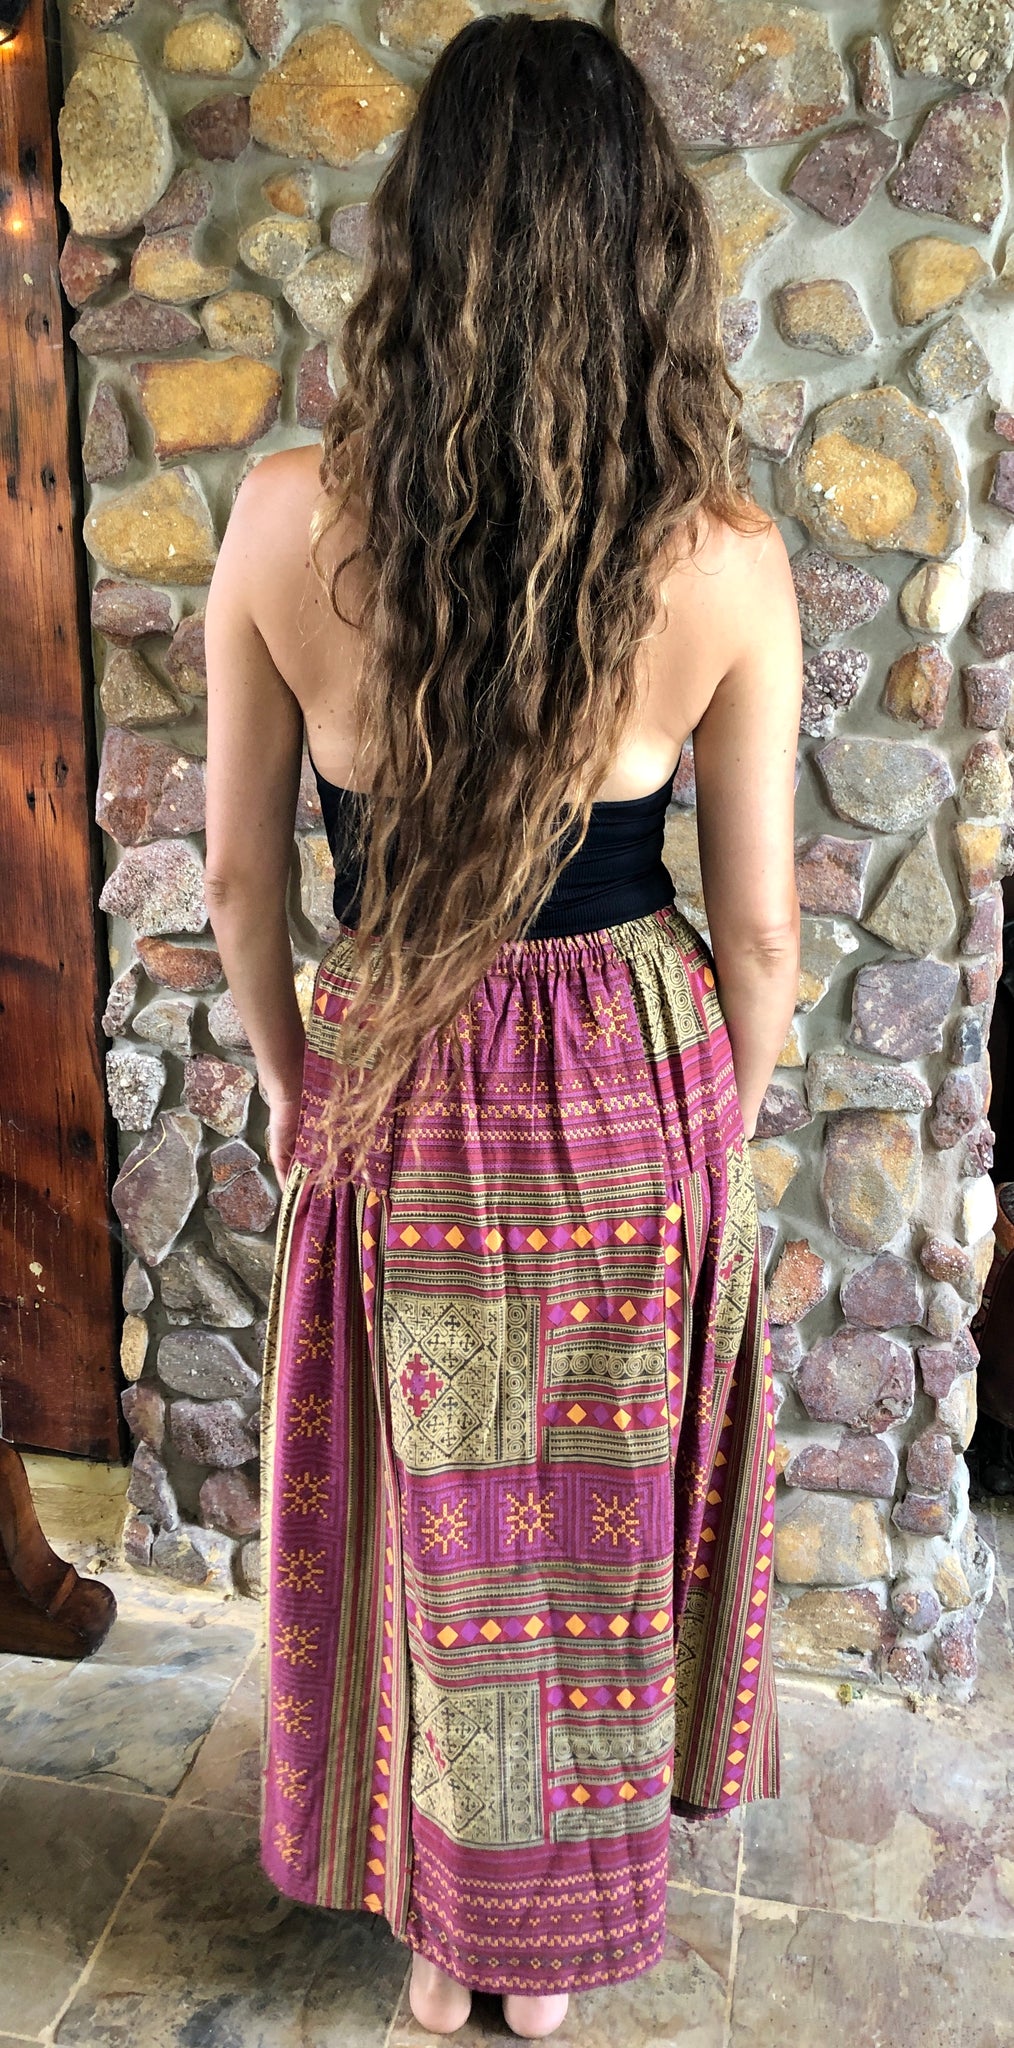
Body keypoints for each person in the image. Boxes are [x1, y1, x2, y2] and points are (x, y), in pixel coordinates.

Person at [203, 12, 802, 2037]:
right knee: (583, 1541)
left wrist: (297, 1088)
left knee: (426, 1525)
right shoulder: (724, 559)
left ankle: (438, 1943)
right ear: (651, 255)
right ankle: (540, 1967)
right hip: (628, 1086)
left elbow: (242, 886)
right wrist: (719, 1125)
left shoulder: (282, 519)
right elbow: (763, 930)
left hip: (399, 1074)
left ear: (419, 234)